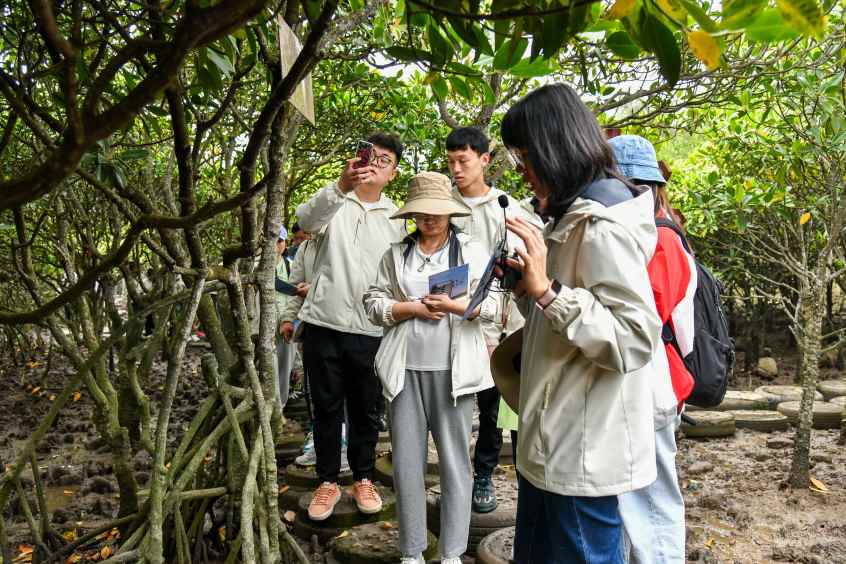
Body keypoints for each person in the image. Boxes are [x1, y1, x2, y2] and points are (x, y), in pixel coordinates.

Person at [498, 83, 663, 563]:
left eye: (524, 157)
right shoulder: (569, 217)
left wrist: (549, 292)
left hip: (580, 447)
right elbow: (563, 324)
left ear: (552, 149)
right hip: (553, 437)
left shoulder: (603, 225)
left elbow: (633, 338)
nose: (523, 172)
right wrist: (529, 287)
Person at [363, 171, 495, 564]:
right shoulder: (396, 254)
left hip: (455, 372)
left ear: (450, 214)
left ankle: (453, 552)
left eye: (437, 212)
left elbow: (492, 308)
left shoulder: (471, 250)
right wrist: (411, 308)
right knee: (405, 462)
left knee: (456, 463)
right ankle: (412, 551)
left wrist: (455, 306)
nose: (430, 219)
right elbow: (373, 304)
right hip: (404, 368)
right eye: (421, 213)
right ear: (412, 215)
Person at [294, 132, 406, 521]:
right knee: (325, 407)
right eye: (370, 155)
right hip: (325, 322)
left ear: (393, 172)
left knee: (365, 408)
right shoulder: (335, 203)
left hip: (373, 330)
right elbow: (304, 221)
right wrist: (342, 184)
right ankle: (327, 481)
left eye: (385, 159)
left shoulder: (397, 219)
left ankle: (362, 476)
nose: (375, 163)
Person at [445, 126, 543, 513]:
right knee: (472, 409)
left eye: (463, 161)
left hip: (505, 328)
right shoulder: (443, 207)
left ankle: (512, 482)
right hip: (456, 325)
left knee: (507, 407)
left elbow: (526, 269)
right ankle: (472, 478)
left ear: (485, 160)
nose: (455, 169)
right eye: (450, 161)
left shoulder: (509, 209)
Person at [610, 134, 695, 563]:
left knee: (644, 492)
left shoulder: (644, 237)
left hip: (637, 379)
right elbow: (687, 333)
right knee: (645, 492)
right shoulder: (671, 236)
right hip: (657, 378)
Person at [273, 226, 295, 421]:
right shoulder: (254, 266)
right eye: (272, 240)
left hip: (286, 322)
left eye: (279, 241)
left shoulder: (291, 265)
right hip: (264, 324)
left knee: (284, 366)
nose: (276, 245)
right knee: (266, 366)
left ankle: (279, 409)